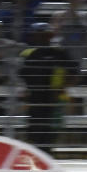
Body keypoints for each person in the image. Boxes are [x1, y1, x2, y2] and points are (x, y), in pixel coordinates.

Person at [19, 23, 76, 153]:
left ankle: (47, 159)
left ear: (50, 37)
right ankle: (36, 162)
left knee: (51, 131)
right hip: (34, 97)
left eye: (45, 35)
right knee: (34, 132)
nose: (41, 38)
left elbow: (74, 73)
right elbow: (21, 75)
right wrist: (25, 92)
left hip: (54, 97)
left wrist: (62, 87)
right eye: (38, 36)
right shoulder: (28, 54)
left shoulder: (59, 53)